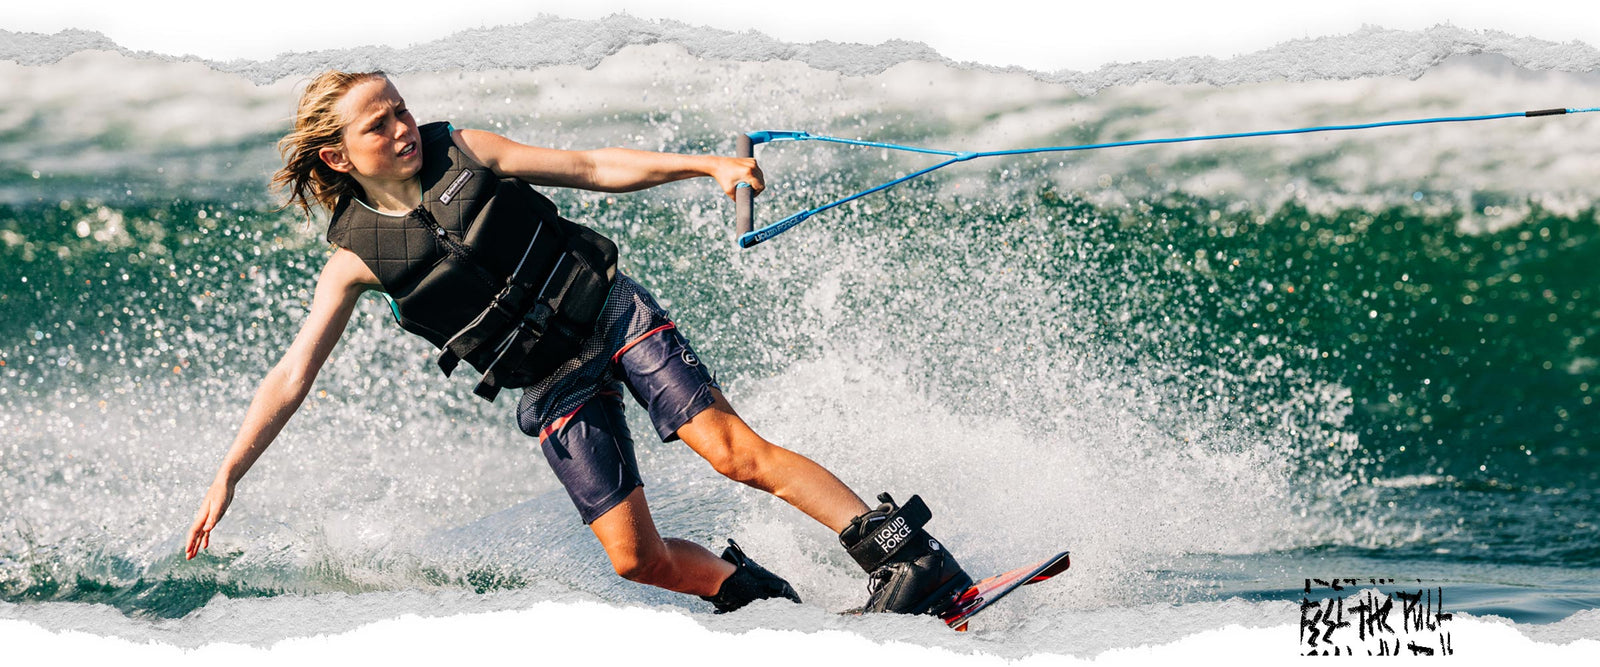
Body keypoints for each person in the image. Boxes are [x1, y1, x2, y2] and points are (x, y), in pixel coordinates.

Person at [183, 70, 970, 615]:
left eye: (398, 109)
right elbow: (291, 375)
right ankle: (763, 602)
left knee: (732, 451)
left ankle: (905, 555)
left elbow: (590, 165)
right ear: (336, 155)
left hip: (610, 314)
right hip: (550, 381)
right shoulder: (355, 257)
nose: (400, 128)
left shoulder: (466, 149)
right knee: (636, 559)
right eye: (377, 124)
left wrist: (704, 165)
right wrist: (227, 474)